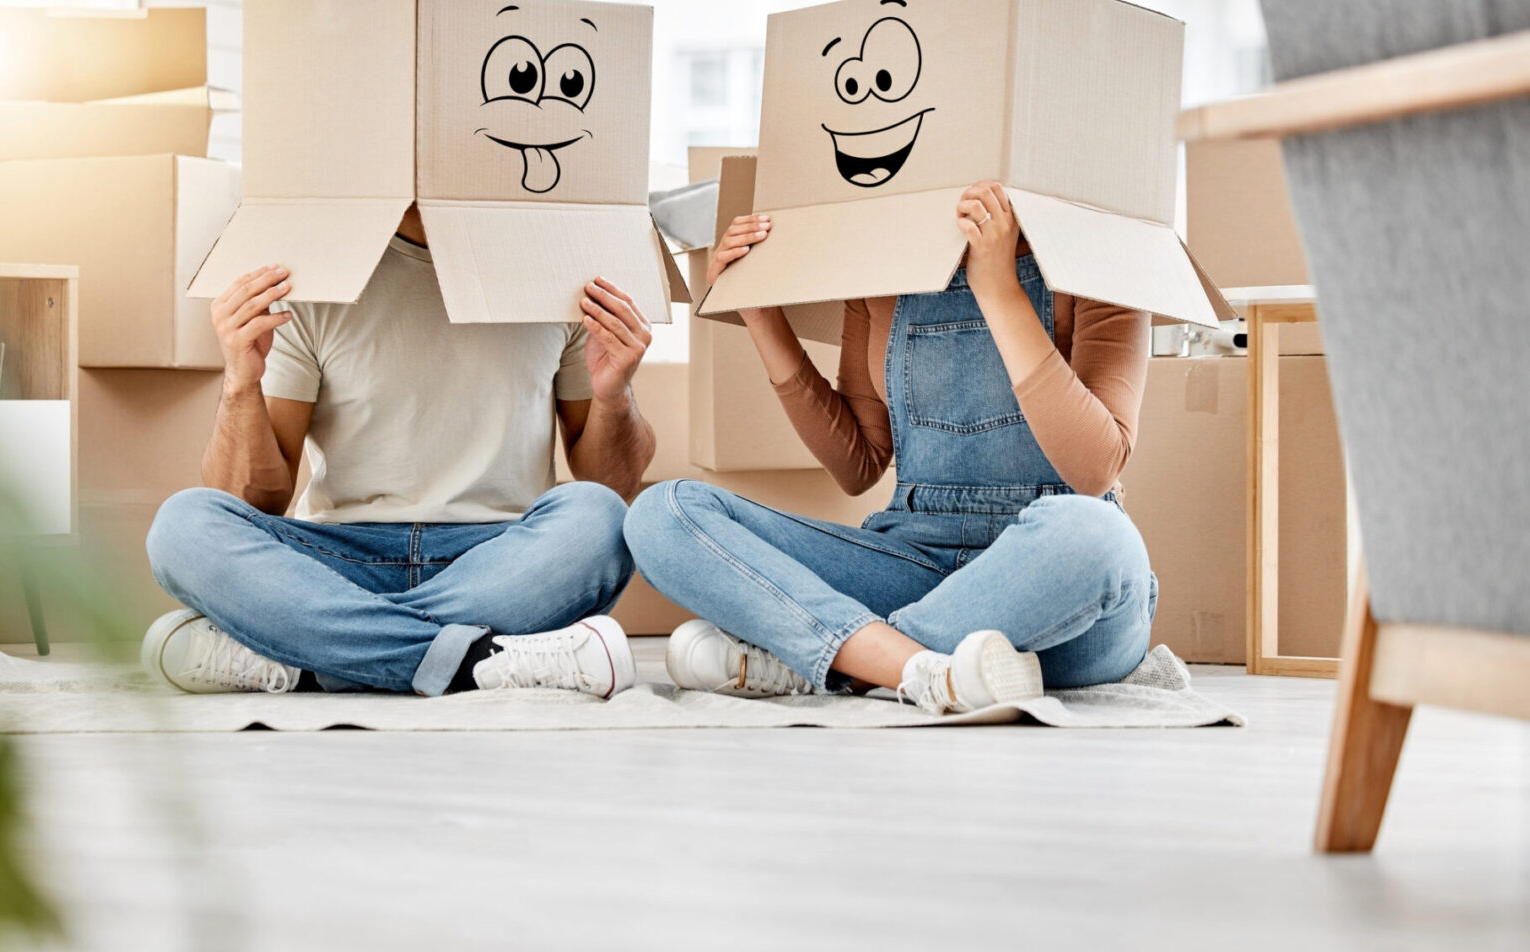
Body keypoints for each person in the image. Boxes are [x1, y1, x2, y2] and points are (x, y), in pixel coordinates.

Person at [624, 181, 1157, 715]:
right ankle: (916, 667)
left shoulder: (1098, 244)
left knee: (1099, 536)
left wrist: (997, 287)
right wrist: (760, 316)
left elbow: (1095, 470)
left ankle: (838, 662)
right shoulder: (884, 257)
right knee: (662, 513)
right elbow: (857, 465)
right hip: (915, 559)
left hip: (1056, 592)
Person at [142, 215, 657, 699]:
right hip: (338, 559)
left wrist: (615, 395)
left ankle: (313, 660)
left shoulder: (556, 275)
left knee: (601, 518)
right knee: (184, 524)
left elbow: (611, 481)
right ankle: (477, 660)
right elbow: (254, 499)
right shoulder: (307, 277)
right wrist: (239, 383)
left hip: (496, 557)